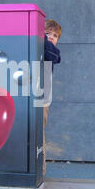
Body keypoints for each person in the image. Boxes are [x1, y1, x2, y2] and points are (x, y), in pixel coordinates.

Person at [43, 19, 61, 176]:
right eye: (47, 33)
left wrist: (39, 36)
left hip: (42, 100)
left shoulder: (54, 52)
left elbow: (49, 52)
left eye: (54, 35)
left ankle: (39, 170)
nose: (50, 37)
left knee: (38, 132)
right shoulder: (37, 47)